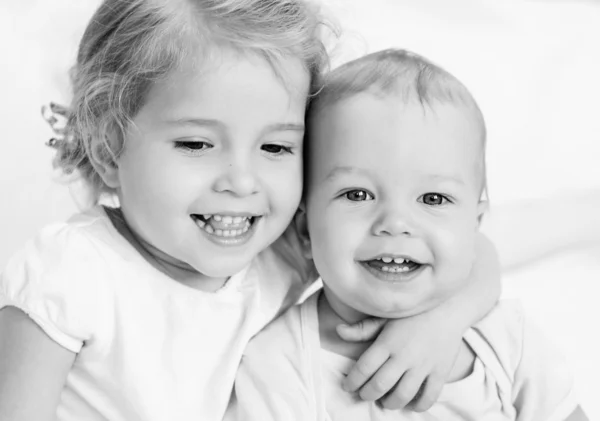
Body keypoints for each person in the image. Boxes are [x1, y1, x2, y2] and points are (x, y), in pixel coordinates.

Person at [0, 2, 501, 420]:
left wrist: (440, 321)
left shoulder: (275, 254)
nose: (242, 181)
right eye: (196, 143)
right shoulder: (69, 273)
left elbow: (474, 245)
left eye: (276, 148)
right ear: (110, 148)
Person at [229, 49, 587, 420]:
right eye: (357, 194)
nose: (395, 222)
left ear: (474, 227)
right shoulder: (278, 364)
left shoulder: (508, 338)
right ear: (305, 230)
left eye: (433, 198)